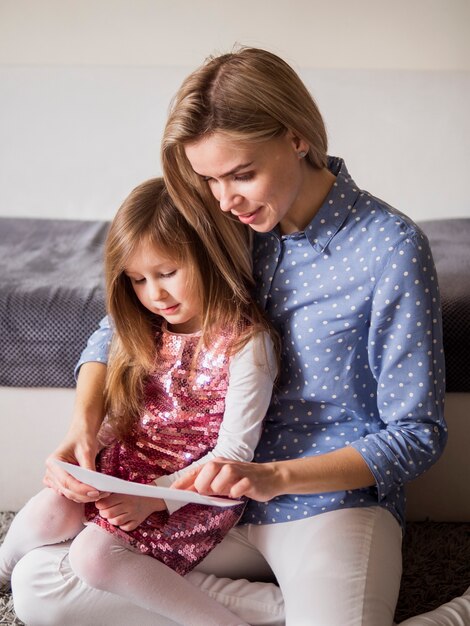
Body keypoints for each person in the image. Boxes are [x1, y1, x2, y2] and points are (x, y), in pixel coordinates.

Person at [10, 47, 447, 626]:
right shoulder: (219, 217)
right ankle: (278, 614)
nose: (225, 200)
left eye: (242, 174)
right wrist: (82, 427)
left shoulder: (390, 249)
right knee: (40, 590)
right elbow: (116, 327)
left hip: (326, 504)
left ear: (297, 138)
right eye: (209, 179)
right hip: (200, 495)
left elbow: (417, 435)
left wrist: (271, 476)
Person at [2, 177, 280, 626]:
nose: (155, 295)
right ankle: (3, 569)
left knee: (94, 556)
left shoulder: (249, 342)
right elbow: (129, 416)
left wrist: (157, 500)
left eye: (167, 273)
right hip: (129, 469)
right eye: (137, 280)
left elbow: (232, 455)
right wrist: (86, 462)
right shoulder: (141, 326)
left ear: (209, 254)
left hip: (191, 492)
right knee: (49, 510)